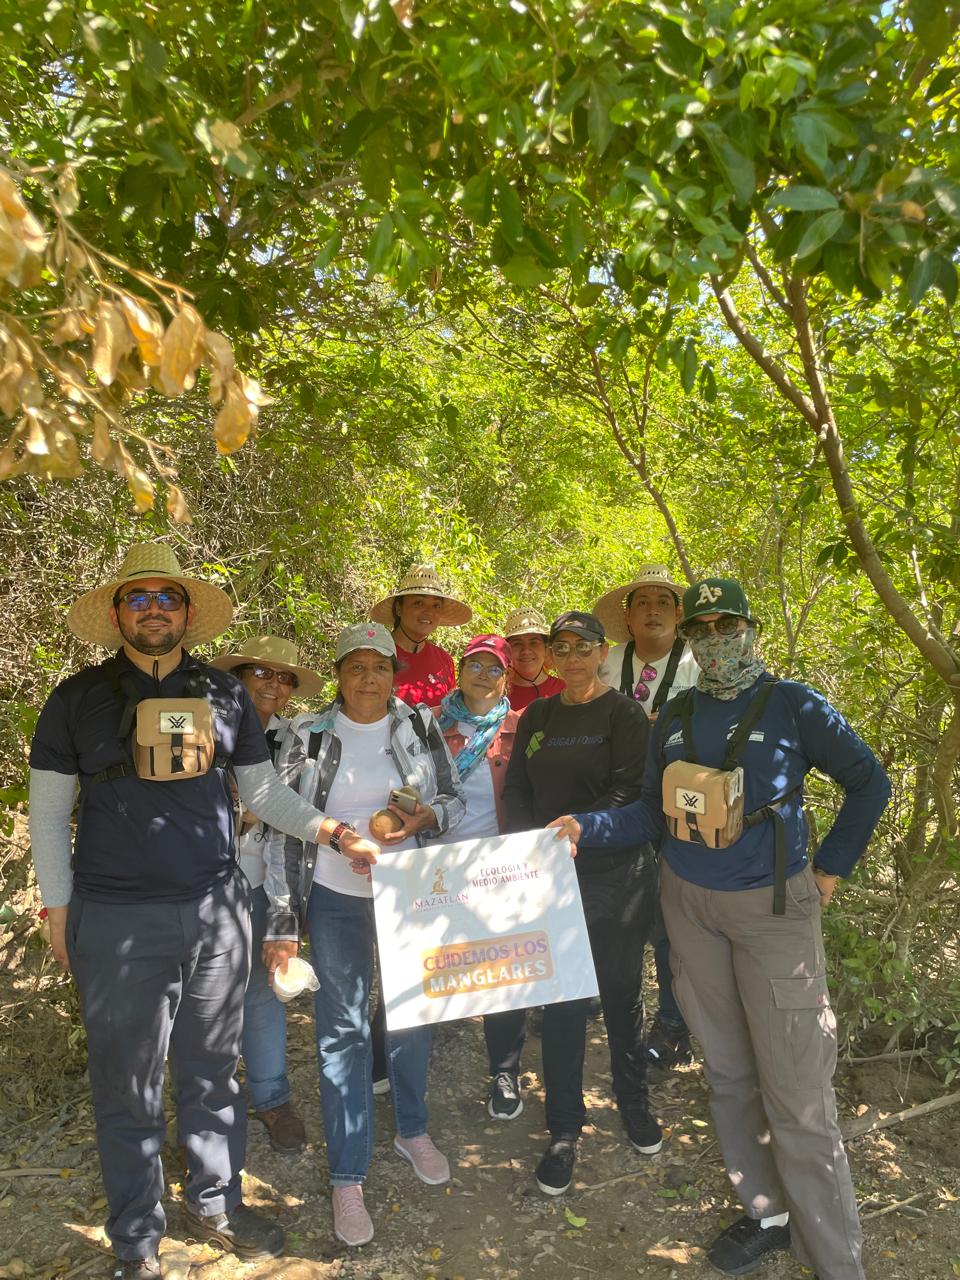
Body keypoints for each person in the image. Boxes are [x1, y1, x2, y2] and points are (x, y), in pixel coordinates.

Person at [27, 544, 379, 1280]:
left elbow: (260, 792)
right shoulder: (77, 698)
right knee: (128, 1082)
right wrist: (58, 908)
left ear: (188, 613)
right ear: (119, 612)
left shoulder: (224, 694)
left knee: (215, 1072)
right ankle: (134, 1237)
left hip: (217, 913)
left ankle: (214, 1202)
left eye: (168, 596)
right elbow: (51, 809)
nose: (154, 607)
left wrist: (333, 830)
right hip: (117, 919)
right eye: (139, 597)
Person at [551, 578, 890, 1280]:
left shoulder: (794, 704)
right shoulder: (674, 715)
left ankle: (836, 1259)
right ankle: (765, 1212)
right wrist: (588, 825)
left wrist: (828, 870)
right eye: (699, 628)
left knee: (797, 1089)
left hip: (773, 911)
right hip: (689, 906)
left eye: (724, 623)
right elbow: (650, 810)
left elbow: (869, 782)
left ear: (749, 627)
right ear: (687, 639)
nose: (713, 639)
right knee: (730, 1073)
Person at [261, 622, 465, 1248]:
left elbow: (453, 799)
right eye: (356, 668)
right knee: (342, 1029)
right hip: (332, 896)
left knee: (409, 1017)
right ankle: (347, 1177)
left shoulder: (419, 726)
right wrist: (283, 920)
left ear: (392, 676)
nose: (369, 679)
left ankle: (411, 1129)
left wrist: (427, 817)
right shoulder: (308, 734)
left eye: (380, 667)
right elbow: (278, 824)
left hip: (410, 894)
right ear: (341, 675)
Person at [501, 611, 661, 1197]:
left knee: (620, 998)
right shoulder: (538, 714)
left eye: (581, 647)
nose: (569, 657)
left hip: (615, 873)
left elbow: (633, 791)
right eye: (559, 647)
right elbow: (517, 784)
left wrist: (581, 829)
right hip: (547, 874)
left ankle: (634, 1104)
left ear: (602, 653)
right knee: (562, 1003)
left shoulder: (624, 714)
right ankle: (564, 1130)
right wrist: (529, 845)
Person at [209, 635, 325, 1155]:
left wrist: (285, 911)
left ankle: (273, 1099)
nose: (274, 685)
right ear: (237, 678)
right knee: (201, 997)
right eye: (263, 673)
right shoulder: (200, 727)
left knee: (261, 990)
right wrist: (250, 810)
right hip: (198, 883)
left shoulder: (294, 740)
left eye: (285, 678)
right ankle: (210, 1103)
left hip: (259, 881)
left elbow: (284, 819)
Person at [595, 564, 699, 1069]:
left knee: (672, 919)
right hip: (617, 797)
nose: (653, 609)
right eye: (642, 602)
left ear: (679, 615)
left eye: (664, 601)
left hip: (681, 803)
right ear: (628, 616)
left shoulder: (700, 663)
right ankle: (602, 996)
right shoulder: (608, 662)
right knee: (611, 905)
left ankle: (674, 1023)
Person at [425, 635, 526, 1119]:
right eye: (475, 665)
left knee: (501, 972)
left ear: (506, 678)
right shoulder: (426, 724)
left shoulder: (519, 728)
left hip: (495, 865)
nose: (483, 675)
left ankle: (504, 1070)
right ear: (459, 671)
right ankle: (390, 1059)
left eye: (494, 668)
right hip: (432, 864)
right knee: (418, 963)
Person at [369, 564, 472, 709]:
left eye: (436, 606)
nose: (428, 612)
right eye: (418, 603)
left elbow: (449, 715)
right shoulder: (374, 654)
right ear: (399, 608)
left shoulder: (444, 660)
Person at [502, 607, 565, 711]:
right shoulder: (497, 693)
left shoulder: (566, 691)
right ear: (508, 651)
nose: (526, 650)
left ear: (546, 648)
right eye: (517, 643)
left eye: (534, 642)